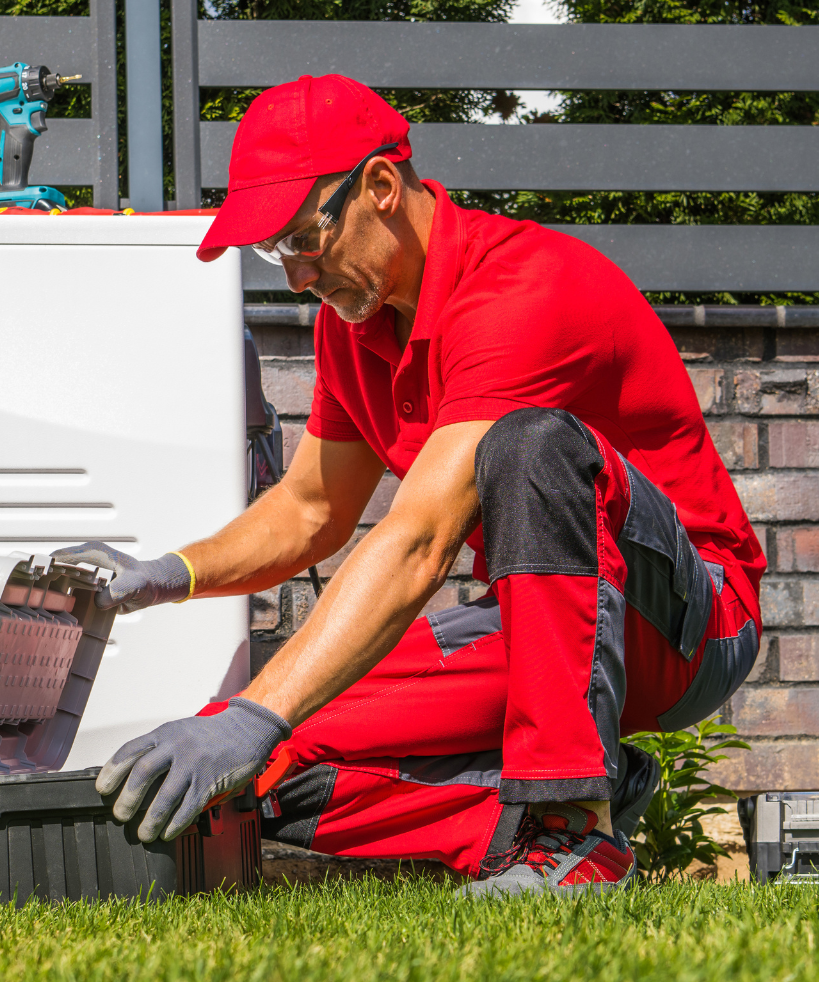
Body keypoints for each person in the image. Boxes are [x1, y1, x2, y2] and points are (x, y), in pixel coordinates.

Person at [53, 74, 763, 896]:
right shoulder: (352, 327)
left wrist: (259, 709)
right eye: (272, 253)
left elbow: (419, 538)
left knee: (530, 445)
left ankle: (573, 831)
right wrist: (165, 576)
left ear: (382, 187)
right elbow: (310, 509)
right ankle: (555, 809)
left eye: (302, 240)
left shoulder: (522, 289)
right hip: (540, 630)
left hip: (688, 623)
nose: (293, 278)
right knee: (260, 767)